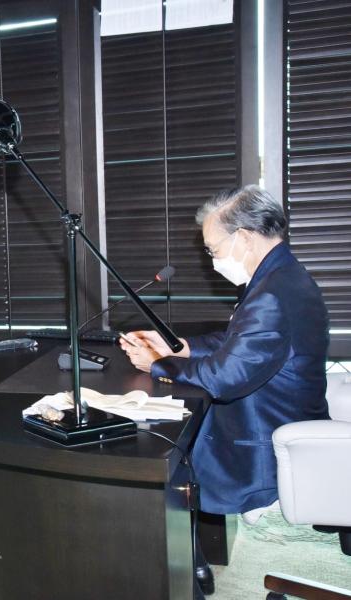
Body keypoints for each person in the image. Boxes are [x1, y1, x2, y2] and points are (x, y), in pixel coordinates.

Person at [120, 185, 329, 589]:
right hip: (289, 418)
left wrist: (158, 363)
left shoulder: (273, 293)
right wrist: (179, 347)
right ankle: (194, 562)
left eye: (214, 250)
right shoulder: (283, 277)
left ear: (245, 238)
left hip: (265, 440)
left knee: (163, 457)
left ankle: (183, 575)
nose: (213, 260)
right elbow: (241, 340)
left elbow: (225, 379)